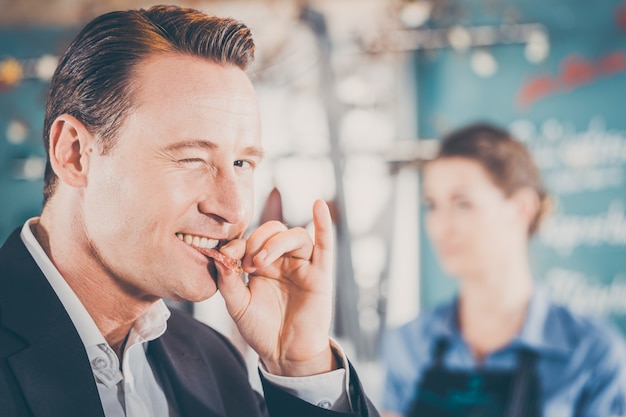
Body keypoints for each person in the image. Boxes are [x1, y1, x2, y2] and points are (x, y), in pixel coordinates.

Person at [0, 5, 380, 417]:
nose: (234, 209)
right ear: (74, 154)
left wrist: (300, 367)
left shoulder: (214, 362)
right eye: (192, 159)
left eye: (242, 164)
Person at [380, 123, 626, 417]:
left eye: (462, 204)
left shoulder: (593, 353)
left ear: (522, 208)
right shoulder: (408, 343)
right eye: (432, 205)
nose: (440, 227)